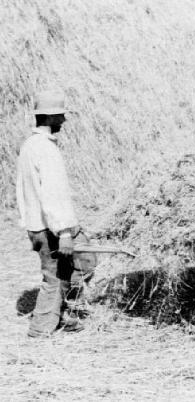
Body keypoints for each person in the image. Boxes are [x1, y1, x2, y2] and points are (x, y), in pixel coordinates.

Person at [16, 89, 88, 337]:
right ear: (49, 118)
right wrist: (65, 233)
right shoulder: (45, 149)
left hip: (38, 225)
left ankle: (66, 314)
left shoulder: (30, 145)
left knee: (81, 263)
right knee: (54, 278)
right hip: (50, 228)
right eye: (60, 116)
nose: (64, 121)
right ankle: (40, 330)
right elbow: (53, 194)